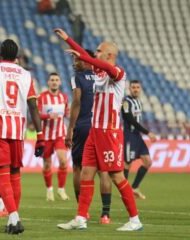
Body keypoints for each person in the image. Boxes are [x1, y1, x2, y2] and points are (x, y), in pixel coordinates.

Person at [55, 28, 143, 231]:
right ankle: (80, 217)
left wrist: (83, 54)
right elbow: (88, 59)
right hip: (95, 131)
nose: (95, 53)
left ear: (109, 55)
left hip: (110, 132)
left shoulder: (118, 73)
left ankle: (135, 220)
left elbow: (94, 61)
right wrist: (69, 39)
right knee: (86, 172)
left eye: (99, 50)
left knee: (116, 176)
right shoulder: (98, 72)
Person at [0, 39, 44, 234]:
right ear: (17, 57)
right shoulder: (25, 74)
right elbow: (33, 106)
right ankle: (13, 219)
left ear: (0, 54)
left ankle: (14, 218)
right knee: (15, 175)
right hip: (18, 130)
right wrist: (40, 135)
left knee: (3, 175)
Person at [66, 51, 112, 224]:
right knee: (103, 170)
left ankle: (82, 212)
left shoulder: (77, 77)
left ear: (86, 60)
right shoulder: (102, 77)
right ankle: (105, 214)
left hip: (84, 126)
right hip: (101, 126)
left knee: (78, 167)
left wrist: (70, 128)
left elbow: (76, 101)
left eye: (76, 59)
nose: (74, 62)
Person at [122, 80, 156, 200]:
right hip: (129, 136)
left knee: (148, 162)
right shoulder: (126, 102)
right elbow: (131, 120)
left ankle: (134, 188)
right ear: (130, 89)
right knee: (127, 164)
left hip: (137, 136)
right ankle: (124, 192)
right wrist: (148, 132)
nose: (136, 89)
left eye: (138, 87)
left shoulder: (138, 101)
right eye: (133, 87)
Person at [37, 72, 70, 201]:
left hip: (60, 134)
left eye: (57, 80)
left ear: (60, 82)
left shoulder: (64, 97)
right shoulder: (42, 97)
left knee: (63, 161)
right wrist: (48, 116)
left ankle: (61, 189)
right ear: (48, 82)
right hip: (45, 136)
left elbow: (66, 113)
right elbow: (37, 115)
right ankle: (49, 189)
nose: (55, 82)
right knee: (47, 165)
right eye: (52, 80)